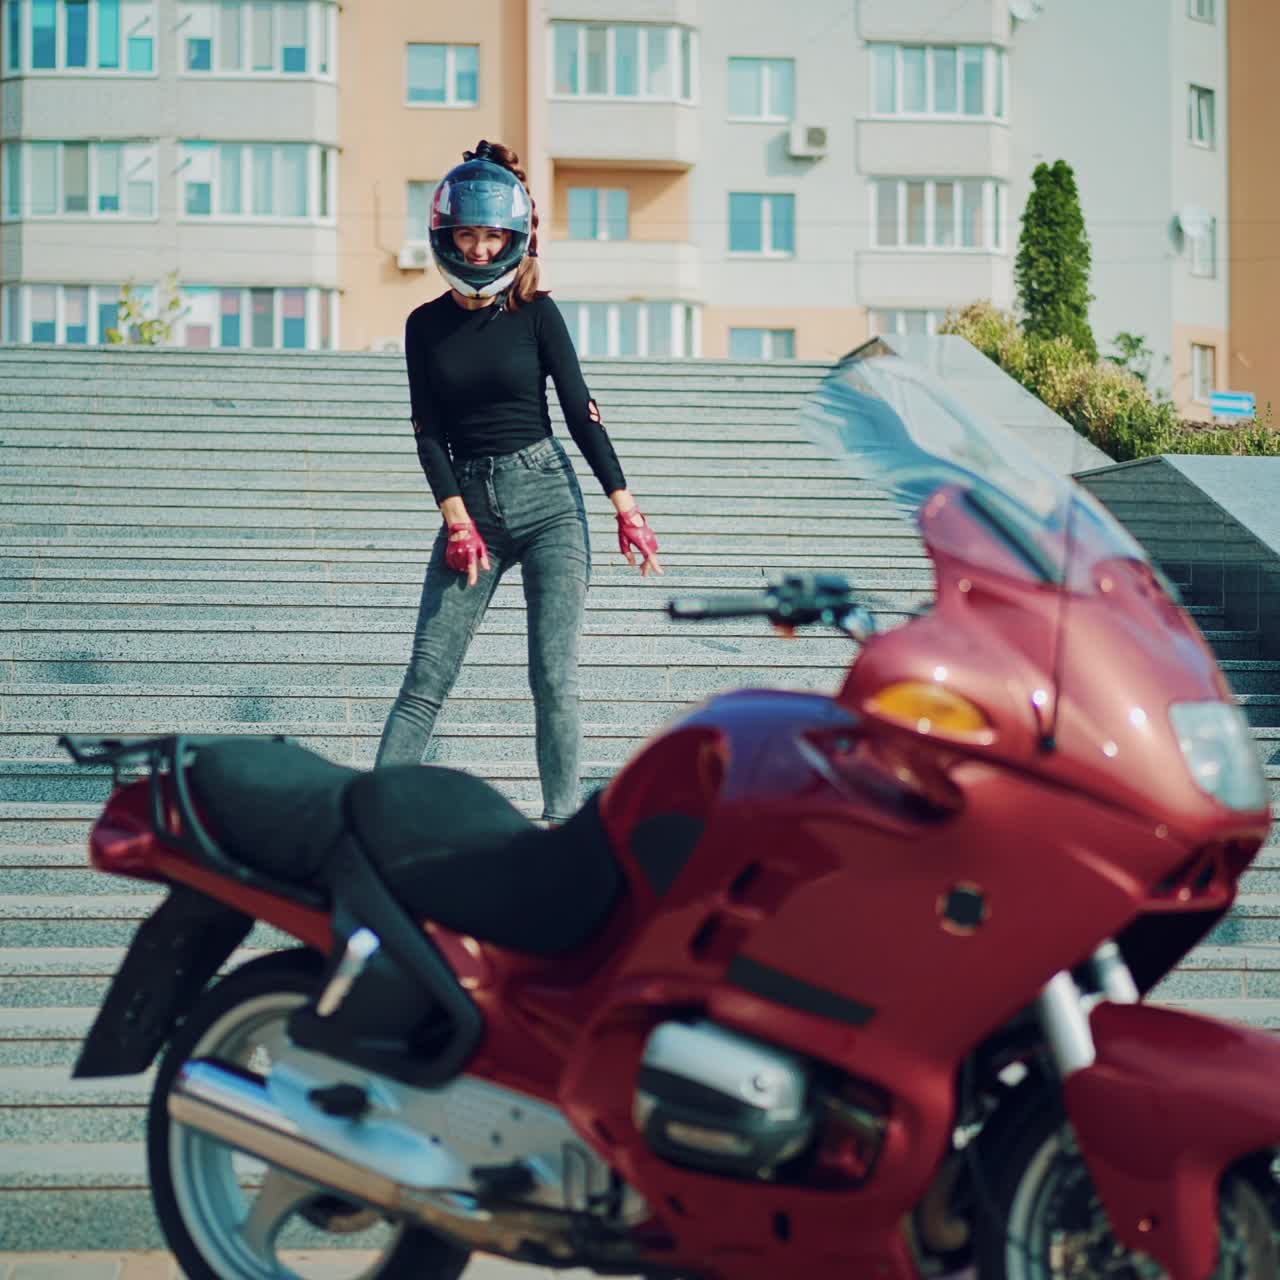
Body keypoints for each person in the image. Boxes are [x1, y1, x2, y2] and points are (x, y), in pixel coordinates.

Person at [376, 139, 662, 826]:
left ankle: (563, 824)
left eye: (491, 236)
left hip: (549, 504)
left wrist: (627, 508)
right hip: (469, 506)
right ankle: (371, 813)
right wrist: (457, 521)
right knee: (426, 677)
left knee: (553, 677)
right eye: (466, 236)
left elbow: (580, 410)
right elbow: (427, 431)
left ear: (514, 237)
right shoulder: (424, 326)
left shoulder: (536, 313)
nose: (478, 250)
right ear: (446, 237)